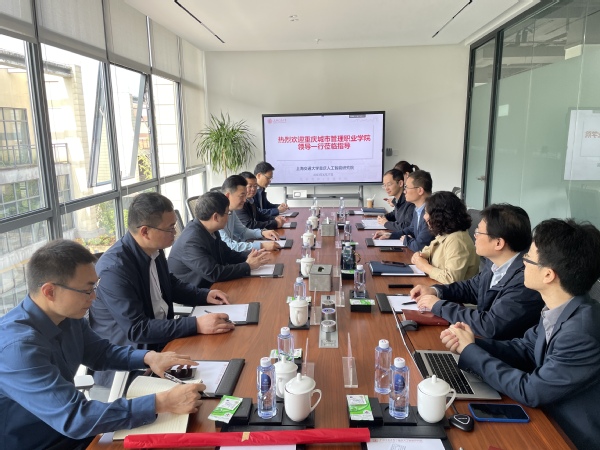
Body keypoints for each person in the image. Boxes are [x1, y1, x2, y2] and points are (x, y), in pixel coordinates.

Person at [0, 239, 206, 450]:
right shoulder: (17, 349)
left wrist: (149, 358)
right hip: (40, 442)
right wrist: (161, 403)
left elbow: (100, 353)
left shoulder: (67, 315)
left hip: (75, 433)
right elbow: (75, 418)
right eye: (86, 290)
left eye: (94, 286)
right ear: (49, 292)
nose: (94, 296)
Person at [440, 219, 600, 450]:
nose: (522, 262)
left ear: (548, 275)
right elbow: (524, 349)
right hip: (544, 417)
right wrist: (471, 344)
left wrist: (471, 352)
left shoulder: (581, 332)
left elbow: (531, 390)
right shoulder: (562, 308)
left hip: (565, 436)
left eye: (528, 258)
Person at [89, 193, 234, 386]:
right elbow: (137, 329)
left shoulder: (153, 250)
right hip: (133, 364)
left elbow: (171, 285)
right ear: (145, 232)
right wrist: (196, 324)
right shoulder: (114, 270)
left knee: (229, 358)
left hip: (162, 343)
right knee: (213, 386)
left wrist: (204, 295)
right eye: (170, 228)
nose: (175, 232)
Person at [411, 204, 544, 339]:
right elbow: (472, 288)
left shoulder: (525, 280)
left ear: (498, 243)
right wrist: (436, 291)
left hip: (499, 348)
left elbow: (490, 325)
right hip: (482, 340)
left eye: (479, 232)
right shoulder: (494, 263)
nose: (475, 236)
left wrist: (439, 306)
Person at [169, 191, 271, 289]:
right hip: (197, 292)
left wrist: (253, 255)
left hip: (211, 286)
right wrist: (247, 266)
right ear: (216, 217)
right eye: (228, 213)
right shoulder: (191, 241)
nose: (229, 217)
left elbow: (228, 254)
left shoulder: (209, 229)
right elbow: (214, 273)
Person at [409, 191, 479, 283]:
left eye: (427, 213)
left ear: (440, 216)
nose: (424, 217)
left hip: (450, 291)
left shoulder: (457, 240)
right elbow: (429, 250)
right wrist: (421, 256)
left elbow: (451, 279)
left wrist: (424, 266)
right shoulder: (445, 233)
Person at [373, 170, 434, 251]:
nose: (404, 191)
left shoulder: (431, 213)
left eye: (407, 187)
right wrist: (391, 235)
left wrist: (406, 240)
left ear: (420, 190)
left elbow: (419, 246)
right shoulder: (418, 209)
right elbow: (411, 229)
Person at [218, 175, 281, 252]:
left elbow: (243, 232)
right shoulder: (217, 215)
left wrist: (262, 233)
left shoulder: (231, 210)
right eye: (241, 196)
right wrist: (261, 245)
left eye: (245, 196)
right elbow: (229, 246)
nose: (245, 200)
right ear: (228, 196)